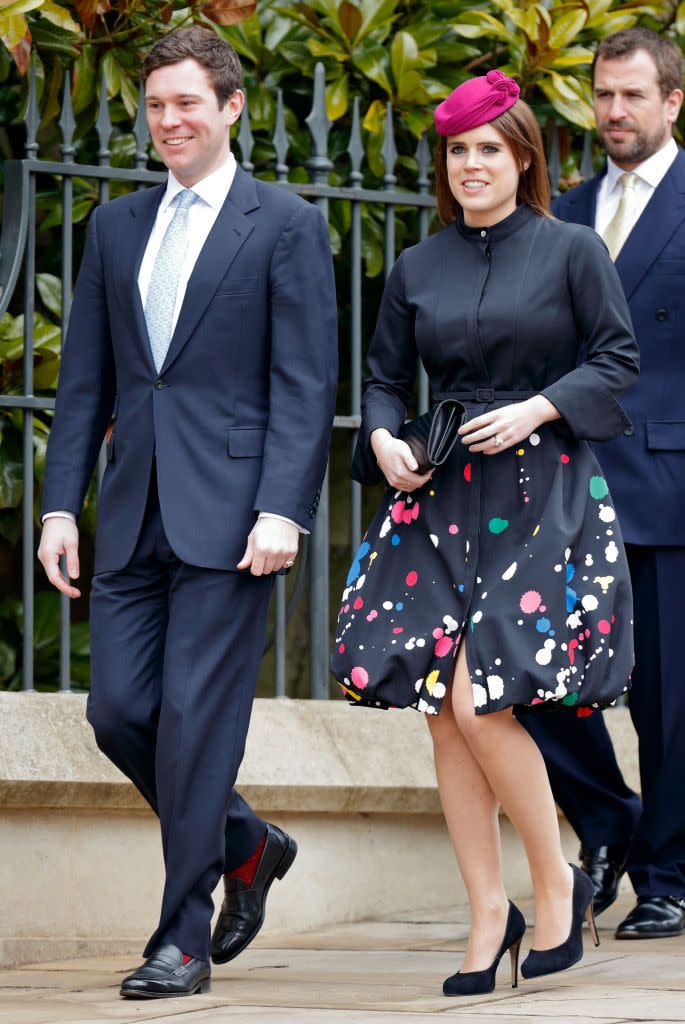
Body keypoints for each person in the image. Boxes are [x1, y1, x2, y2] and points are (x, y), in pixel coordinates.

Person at [37, 26, 337, 998]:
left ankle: (182, 937)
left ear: (230, 107)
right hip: (131, 514)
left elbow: (302, 383)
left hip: (234, 518)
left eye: (186, 104)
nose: (169, 121)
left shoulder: (284, 222)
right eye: (157, 105)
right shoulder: (118, 227)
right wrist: (59, 508)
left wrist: (283, 508)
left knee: (197, 725)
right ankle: (246, 842)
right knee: (118, 710)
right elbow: (85, 383)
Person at [331, 70, 639, 996]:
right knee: (441, 713)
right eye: (457, 151)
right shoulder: (419, 266)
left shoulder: (573, 250)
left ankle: (553, 885)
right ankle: (484, 915)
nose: (471, 165)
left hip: (541, 496)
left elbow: (615, 360)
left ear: (522, 158)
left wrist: (541, 408)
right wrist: (384, 438)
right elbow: (383, 379)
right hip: (437, 498)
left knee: (481, 699)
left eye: (488, 150)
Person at [521, 27, 685, 940]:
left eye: (632, 95)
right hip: (563, 488)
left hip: (668, 480)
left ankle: (666, 875)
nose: (614, 112)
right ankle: (609, 817)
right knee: (531, 677)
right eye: (603, 95)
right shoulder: (565, 212)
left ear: (671, 101)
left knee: (667, 702)